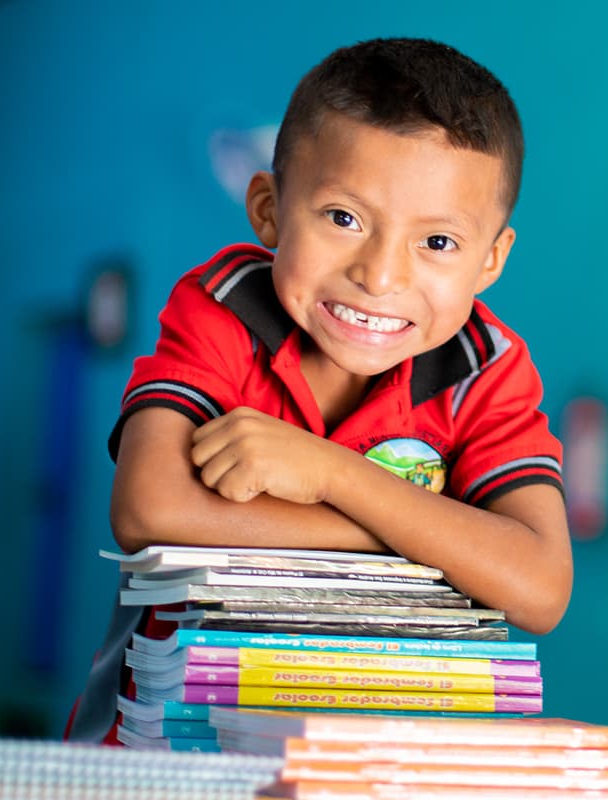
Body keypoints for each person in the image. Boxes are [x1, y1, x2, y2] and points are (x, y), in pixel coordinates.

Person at [65, 36, 572, 743]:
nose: (381, 274)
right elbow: (148, 507)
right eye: (344, 219)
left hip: (369, 756)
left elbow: (541, 588)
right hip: (167, 751)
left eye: (438, 243)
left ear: (490, 260)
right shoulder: (225, 306)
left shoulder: (485, 370)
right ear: (269, 209)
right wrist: (432, 531)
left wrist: (331, 473)